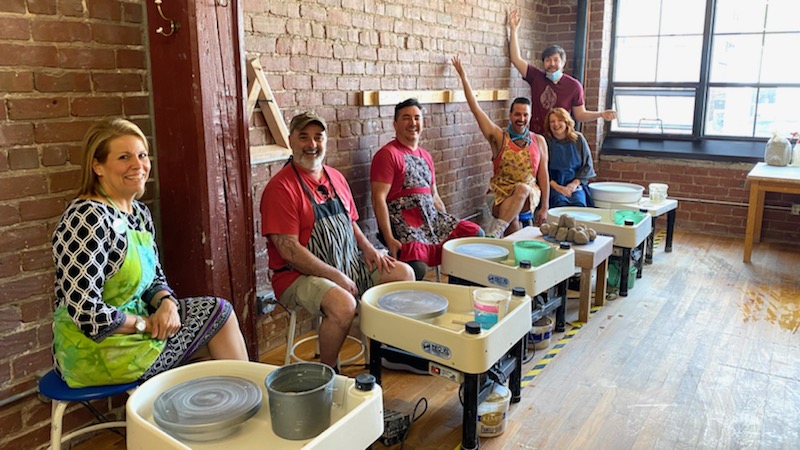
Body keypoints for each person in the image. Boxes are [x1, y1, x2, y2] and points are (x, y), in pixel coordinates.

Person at [51, 119, 248, 388]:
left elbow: (154, 278)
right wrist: (146, 324)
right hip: (94, 349)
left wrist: (168, 305)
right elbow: (86, 311)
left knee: (213, 344)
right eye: (124, 157)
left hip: (134, 336)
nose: (138, 165)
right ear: (98, 166)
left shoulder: (139, 214)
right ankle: (249, 404)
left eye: (142, 155)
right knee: (218, 320)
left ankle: (224, 413)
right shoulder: (86, 218)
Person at [261, 112, 413, 368]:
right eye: (303, 138)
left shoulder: (335, 177)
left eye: (318, 138)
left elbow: (350, 222)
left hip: (347, 260)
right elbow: (289, 251)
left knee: (404, 274)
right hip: (296, 275)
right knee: (343, 305)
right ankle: (328, 373)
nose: (312, 145)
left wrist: (368, 248)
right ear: (291, 141)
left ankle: (387, 352)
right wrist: (336, 276)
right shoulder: (281, 188)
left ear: (325, 141)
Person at [370, 98, 484, 280]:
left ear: (423, 122)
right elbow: (378, 200)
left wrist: (447, 221)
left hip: (432, 221)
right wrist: (389, 238)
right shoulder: (388, 154)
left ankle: (459, 289)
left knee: (475, 237)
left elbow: (434, 196)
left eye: (417, 118)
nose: (413, 123)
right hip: (405, 224)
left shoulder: (426, 156)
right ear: (395, 124)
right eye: (406, 118)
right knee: (418, 268)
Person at [451, 56, 550, 236]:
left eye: (525, 115)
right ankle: (509, 252)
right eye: (517, 114)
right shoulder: (499, 137)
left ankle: (494, 233)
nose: (521, 119)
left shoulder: (539, 141)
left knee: (522, 188)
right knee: (511, 222)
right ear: (510, 116)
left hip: (528, 195)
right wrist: (464, 77)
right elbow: (476, 110)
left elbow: (543, 176)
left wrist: (545, 207)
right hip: (499, 193)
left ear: (530, 116)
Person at [508, 9, 617, 135]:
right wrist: (513, 30)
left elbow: (580, 115)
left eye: (556, 60)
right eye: (548, 60)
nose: (552, 64)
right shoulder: (536, 76)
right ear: (543, 63)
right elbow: (516, 59)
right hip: (537, 136)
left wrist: (601, 114)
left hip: (561, 138)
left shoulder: (574, 86)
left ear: (563, 62)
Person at [543, 107, 597, 207]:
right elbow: (541, 170)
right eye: (552, 121)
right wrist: (559, 188)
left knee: (579, 204)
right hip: (553, 186)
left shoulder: (578, 139)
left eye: (560, 120)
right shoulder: (545, 142)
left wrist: (573, 185)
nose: (556, 124)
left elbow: (587, 166)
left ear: (567, 122)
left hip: (575, 184)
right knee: (560, 204)